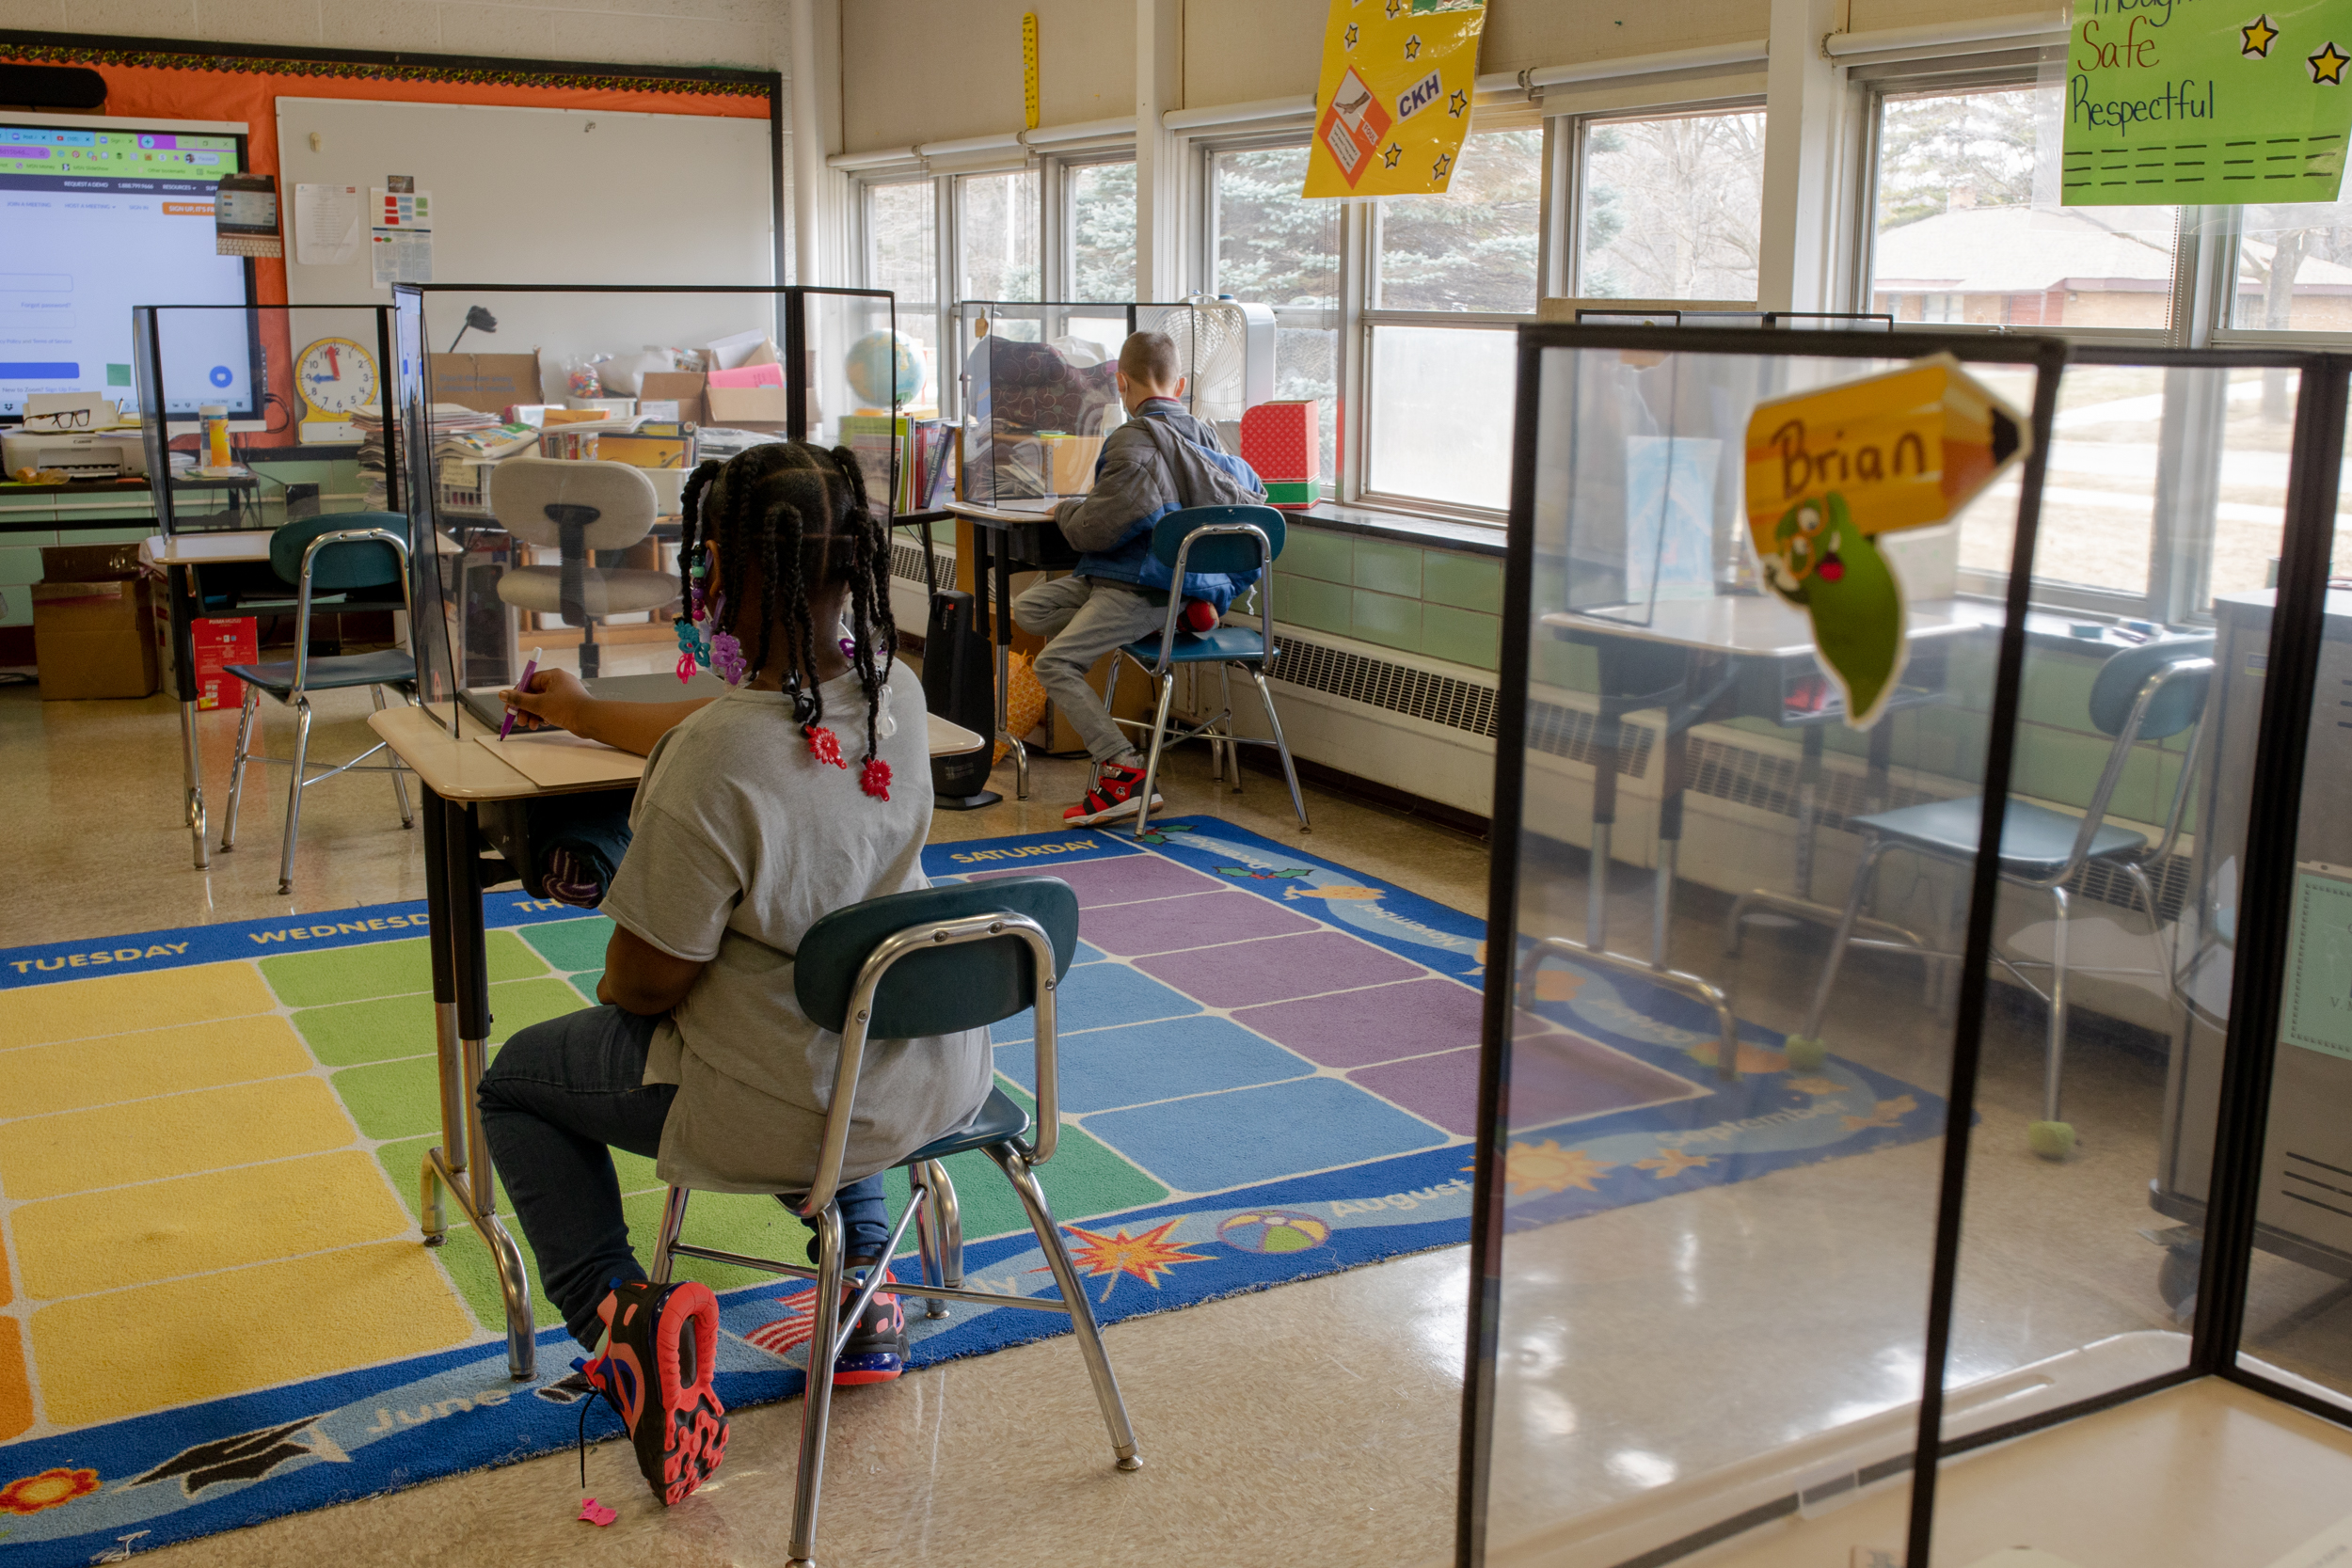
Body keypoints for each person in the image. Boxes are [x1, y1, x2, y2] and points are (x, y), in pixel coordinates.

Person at [478, 441, 988, 1506]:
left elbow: (643, 984)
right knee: (828, 992)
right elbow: (753, 733)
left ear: (718, 569)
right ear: (852, 562)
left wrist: (637, 941)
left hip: (782, 1098)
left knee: (517, 1081)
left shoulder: (712, 758)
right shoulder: (894, 692)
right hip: (924, 1072)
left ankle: (621, 1322)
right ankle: (865, 1293)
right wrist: (583, 710)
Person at [1010, 329, 1268, 826]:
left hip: (1142, 584)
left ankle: (1123, 769)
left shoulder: (1133, 441)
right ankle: (1176, 617)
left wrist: (1065, 509)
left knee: (1055, 663)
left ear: (1121, 383)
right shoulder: (1208, 437)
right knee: (1030, 607)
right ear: (1181, 385)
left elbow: (1093, 530)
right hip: (1171, 582)